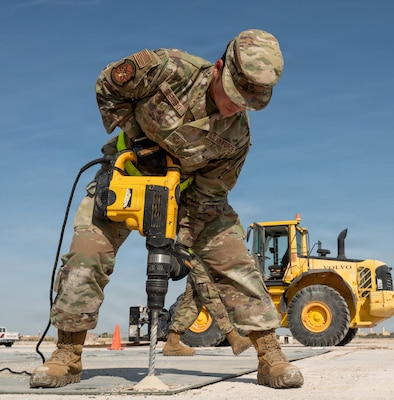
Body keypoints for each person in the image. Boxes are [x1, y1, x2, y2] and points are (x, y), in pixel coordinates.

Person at [30, 28, 304, 390]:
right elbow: (108, 85)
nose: (237, 106)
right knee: (87, 253)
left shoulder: (237, 136)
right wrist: (137, 136)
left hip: (188, 193)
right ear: (219, 67)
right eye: (236, 94)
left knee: (236, 262)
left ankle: (270, 355)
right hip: (129, 174)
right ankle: (67, 355)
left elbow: (211, 191)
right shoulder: (169, 70)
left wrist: (182, 241)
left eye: (249, 103)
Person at [162, 256, 252, 357]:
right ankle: (234, 338)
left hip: (198, 261)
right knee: (212, 299)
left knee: (191, 304)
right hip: (203, 262)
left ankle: (172, 342)